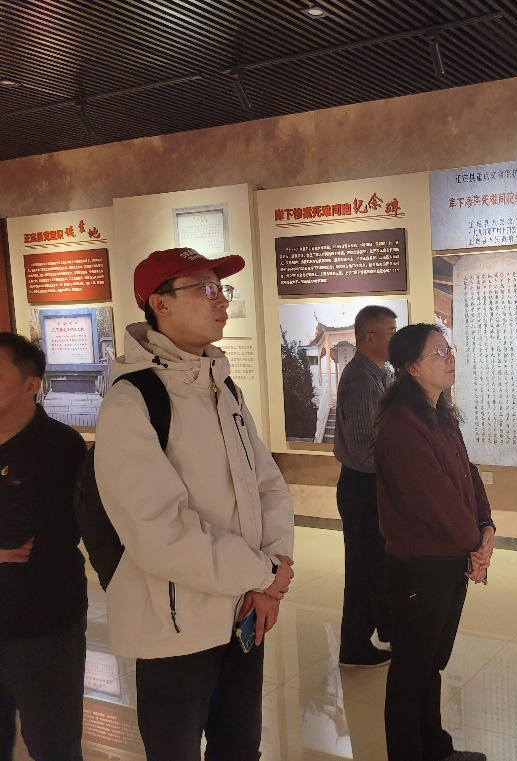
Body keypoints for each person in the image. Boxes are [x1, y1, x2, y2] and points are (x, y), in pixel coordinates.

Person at [94, 248, 296, 761]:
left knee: (239, 748)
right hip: (175, 627)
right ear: (159, 303)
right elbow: (159, 531)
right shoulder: (133, 401)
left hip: (244, 611)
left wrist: (271, 575)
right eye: (204, 289)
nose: (221, 301)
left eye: (221, 288)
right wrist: (262, 572)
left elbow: (267, 485)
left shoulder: (223, 387)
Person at [374, 324, 494, 761]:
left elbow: (467, 475)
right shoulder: (400, 424)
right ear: (411, 367)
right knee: (412, 670)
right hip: (421, 564)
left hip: (450, 556)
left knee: (431, 663)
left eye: (449, 348)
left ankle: (435, 748)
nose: (449, 357)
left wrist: (486, 525)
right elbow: (434, 498)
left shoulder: (439, 413)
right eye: (437, 352)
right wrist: (476, 544)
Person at [0, 333, 87, 761]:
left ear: (30, 385)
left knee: (53, 744)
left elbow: (18, 535)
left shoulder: (60, 446)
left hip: (42, 625)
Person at [333, 304, 397, 667]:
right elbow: (363, 450)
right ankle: (354, 646)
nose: (395, 338)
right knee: (364, 570)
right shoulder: (360, 380)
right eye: (391, 332)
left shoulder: (379, 374)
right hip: (362, 487)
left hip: (375, 486)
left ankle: (385, 627)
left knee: (381, 564)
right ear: (370, 337)